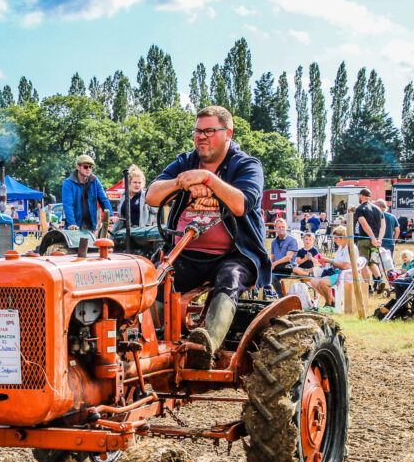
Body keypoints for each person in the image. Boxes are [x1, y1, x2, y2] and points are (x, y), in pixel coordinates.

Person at [146, 105, 269, 368]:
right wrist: (182, 182)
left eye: (209, 131)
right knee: (157, 277)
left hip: (236, 255)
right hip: (187, 253)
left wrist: (208, 179)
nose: (201, 137)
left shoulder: (246, 165)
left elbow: (240, 204)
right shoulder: (185, 162)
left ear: (228, 133)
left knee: (230, 277)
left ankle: (206, 347)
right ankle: (150, 346)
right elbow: (152, 195)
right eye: (198, 131)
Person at [309, 225, 357, 309]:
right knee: (313, 281)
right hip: (336, 271)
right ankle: (332, 301)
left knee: (323, 283)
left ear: (343, 237)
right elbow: (336, 262)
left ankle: (329, 303)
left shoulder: (349, 248)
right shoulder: (341, 248)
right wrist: (325, 261)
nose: (334, 240)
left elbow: (345, 266)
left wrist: (329, 261)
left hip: (344, 274)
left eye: (336, 238)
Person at [62, 154, 112, 233]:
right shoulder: (68, 183)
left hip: (90, 226)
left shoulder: (95, 181)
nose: (88, 169)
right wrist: (72, 223)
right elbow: (68, 205)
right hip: (75, 226)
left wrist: (111, 215)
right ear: (78, 167)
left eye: (90, 167)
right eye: (85, 167)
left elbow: (103, 199)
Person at [353, 187, 386, 292]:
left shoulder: (360, 209)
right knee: (372, 262)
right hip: (376, 241)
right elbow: (383, 226)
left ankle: (368, 287)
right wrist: (379, 239)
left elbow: (364, 224)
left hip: (364, 239)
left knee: (363, 264)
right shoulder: (378, 209)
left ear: (362, 196)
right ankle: (379, 280)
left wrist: (371, 238)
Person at [112, 164, 157, 231]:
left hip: (141, 233)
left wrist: (149, 226)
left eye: (139, 183)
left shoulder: (145, 196)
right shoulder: (123, 196)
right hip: (124, 232)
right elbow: (120, 216)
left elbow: (156, 211)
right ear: (129, 183)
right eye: (135, 182)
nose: (137, 185)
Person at [270, 218, 299, 295]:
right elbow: (272, 258)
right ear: (275, 228)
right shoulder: (273, 242)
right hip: (277, 267)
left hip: (288, 267)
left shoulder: (292, 240)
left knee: (272, 277)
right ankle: (262, 294)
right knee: (261, 273)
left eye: (283, 227)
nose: (281, 229)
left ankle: (282, 297)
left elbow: (288, 258)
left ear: (286, 228)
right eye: (279, 227)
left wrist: (274, 264)